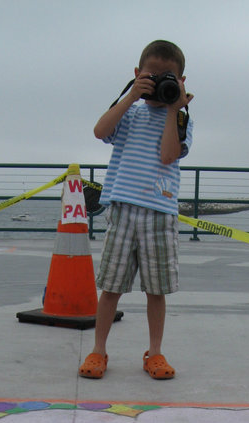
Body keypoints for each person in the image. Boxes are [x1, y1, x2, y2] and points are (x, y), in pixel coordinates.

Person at [79, 39, 193, 380]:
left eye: (168, 77)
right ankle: (98, 350)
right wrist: (131, 95)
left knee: (155, 289)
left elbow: (168, 156)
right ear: (137, 74)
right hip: (124, 208)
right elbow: (100, 131)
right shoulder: (130, 111)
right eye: (151, 75)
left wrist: (174, 108)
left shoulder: (182, 118)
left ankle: (155, 353)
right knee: (111, 286)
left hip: (159, 212)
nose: (159, 82)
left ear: (182, 79)